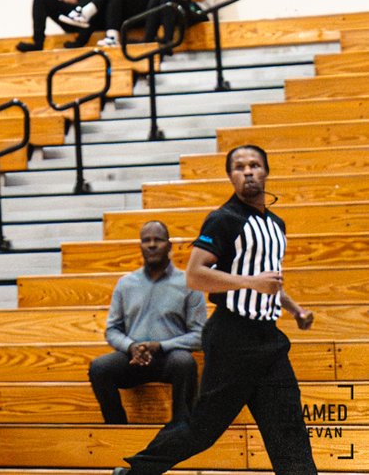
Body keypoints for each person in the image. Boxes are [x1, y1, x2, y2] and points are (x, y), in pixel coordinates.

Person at [111, 144, 315, 475]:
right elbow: (195, 275)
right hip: (232, 337)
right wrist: (251, 283)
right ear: (230, 176)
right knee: (202, 429)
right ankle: (137, 472)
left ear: (266, 171)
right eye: (239, 167)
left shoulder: (276, 224)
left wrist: (295, 310)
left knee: (289, 431)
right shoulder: (223, 220)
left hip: (269, 340)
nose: (248, 171)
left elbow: (270, 281)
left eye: (254, 165)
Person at [89, 222, 204, 425]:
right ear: (140, 246)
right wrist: (131, 346)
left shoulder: (188, 283)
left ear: (169, 245)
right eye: (146, 240)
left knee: (185, 363)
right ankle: (117, 428)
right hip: (133, 359)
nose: (151, 245)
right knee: (99, 368)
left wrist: (161, 346)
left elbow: (200, 335)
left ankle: (182, 429)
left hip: (169, 358)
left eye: (158, 240)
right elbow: (112, 330)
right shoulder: (125, 284)